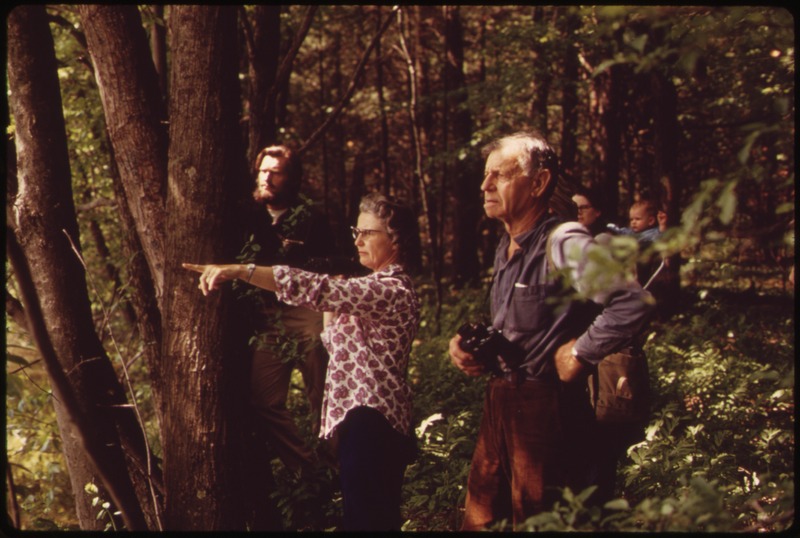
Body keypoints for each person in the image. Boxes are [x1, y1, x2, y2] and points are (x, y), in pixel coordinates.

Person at [448, 131, 653, 530]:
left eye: (499, 176)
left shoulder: (563, 240)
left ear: (539, 183)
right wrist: (467, 348)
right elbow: (522, 323)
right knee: (482, 515)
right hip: (501, 401)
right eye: (485, 175)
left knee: (541, 521)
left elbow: (633, 301)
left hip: (546, 409)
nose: (485, 185)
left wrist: (581, 352)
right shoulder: (507, 247)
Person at [184, 192, 420, 531]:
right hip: (363, 419)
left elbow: (316, 289)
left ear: (395, 240)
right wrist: (330, 292)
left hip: (373, 419)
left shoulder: (391, 288)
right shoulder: (371, 288)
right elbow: (334, 331)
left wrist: (240, 271)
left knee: (368, 521)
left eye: (368, 233)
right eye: (357, 230)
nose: (358, 239)